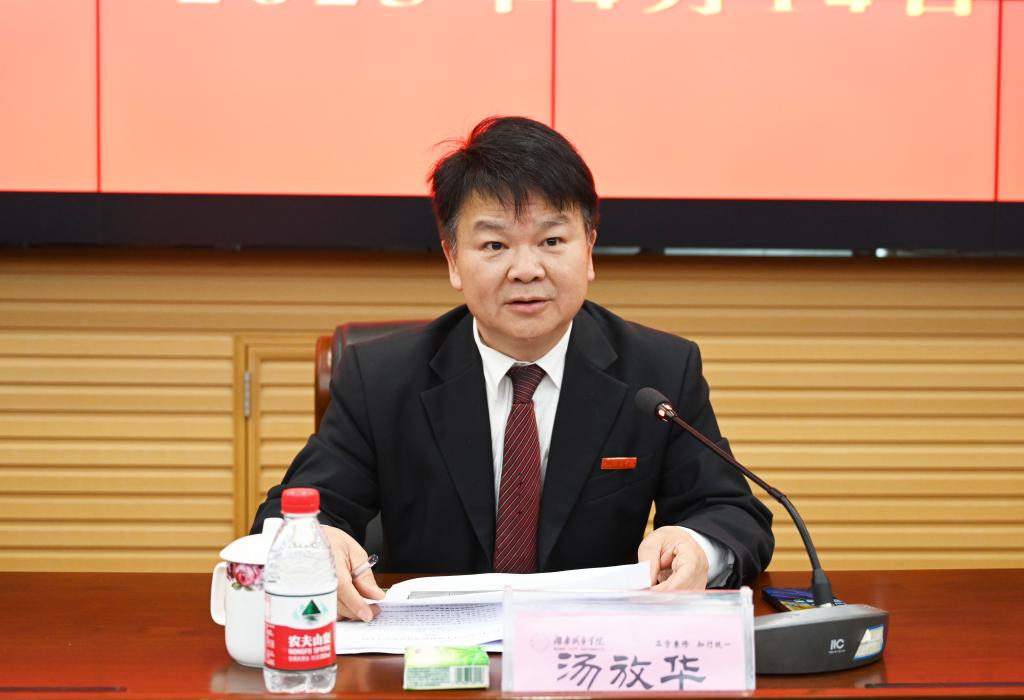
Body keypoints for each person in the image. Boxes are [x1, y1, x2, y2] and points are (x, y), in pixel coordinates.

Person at [252, 116, 774, 621]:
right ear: (453, 260)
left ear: (589, 250)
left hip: (588, 650)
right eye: (495, 245)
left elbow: (732, 514)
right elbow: (287, 516)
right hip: (429, 653)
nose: (526, 270)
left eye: (552, 241)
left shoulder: (658, 371)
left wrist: (698, 546)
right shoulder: (382, 379)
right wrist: (315, 541)